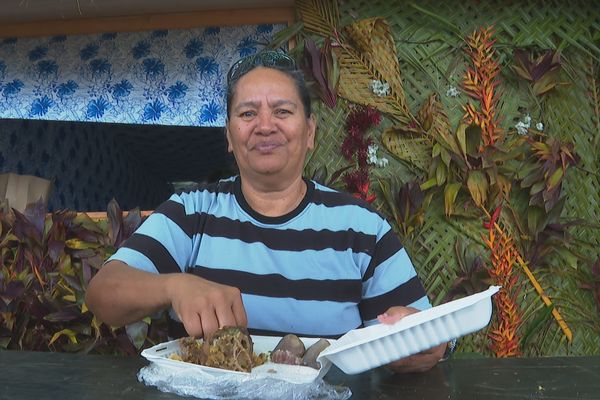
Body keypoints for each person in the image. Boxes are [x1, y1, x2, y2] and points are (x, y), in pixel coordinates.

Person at [85, 50, 446, 373]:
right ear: (229, 135)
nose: (265, 125)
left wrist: (427, 344)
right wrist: (174, 285)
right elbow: (103, 295)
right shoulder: (190, 212)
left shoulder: (362, 229)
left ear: (309, 132)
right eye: (247, 113)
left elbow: (425, 331)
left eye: (283, 111)